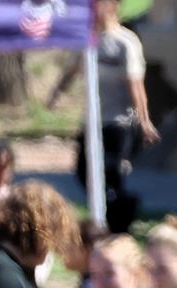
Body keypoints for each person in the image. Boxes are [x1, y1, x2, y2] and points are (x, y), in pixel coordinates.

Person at [50, 0, 158, 230]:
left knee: (112, 173)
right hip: (92, 120)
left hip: (118, 122)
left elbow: (136, 85)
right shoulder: (88, 39)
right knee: (84, 172)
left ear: (112, 6)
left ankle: (116, 223)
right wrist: (56, 94)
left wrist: (144, 120)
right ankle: (112, 215)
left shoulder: (124, 42)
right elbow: (72, 70)